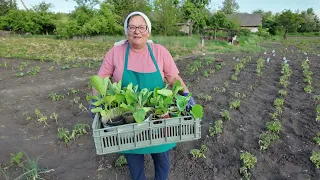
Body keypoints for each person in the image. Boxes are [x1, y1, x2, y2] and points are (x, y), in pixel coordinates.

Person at [91, 11, 195, 180]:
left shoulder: (159, 51)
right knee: (133, 158)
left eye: (141, 27)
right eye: (132, 27)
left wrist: (186, 94)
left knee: (162, 157)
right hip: (128, 117)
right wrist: (96, 102)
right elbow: (100, 79)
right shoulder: (116, 52)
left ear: (148, 30)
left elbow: (173, 78)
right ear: (126, 30)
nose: (136, 31)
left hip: (158, 115)